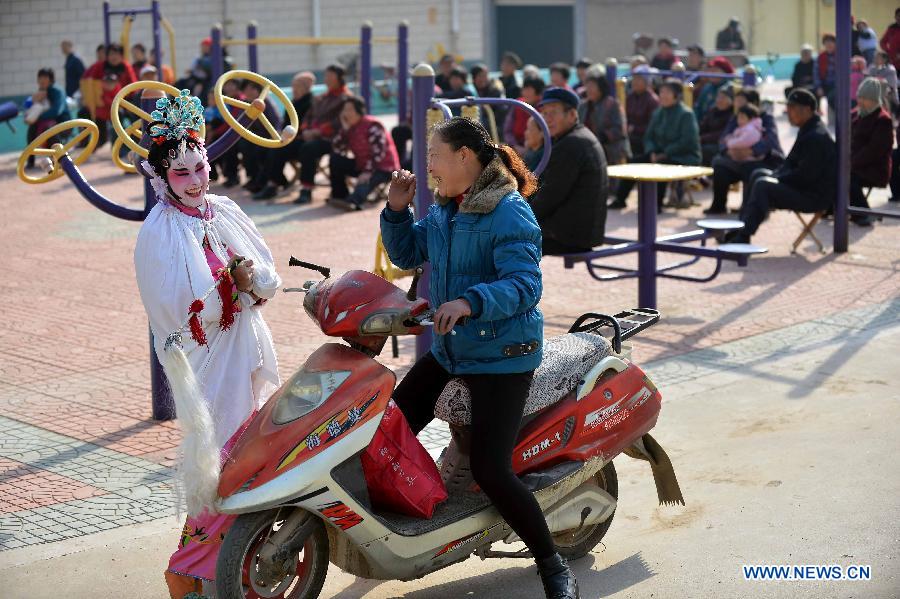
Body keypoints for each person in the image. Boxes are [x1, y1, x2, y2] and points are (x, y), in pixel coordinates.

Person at [381, 116, 579, 599]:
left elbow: (526, 285)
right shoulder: (448, 208)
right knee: (390, 425)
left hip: (503, 355)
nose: (427, 167)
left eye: (434, 156)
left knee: (493, 471)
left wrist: (471, 301)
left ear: (464, 157)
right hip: (453, 349)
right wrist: (396, 210)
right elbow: (409, 253)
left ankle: (553, 566)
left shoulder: (509, 212)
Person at [133, 90, 281, 598]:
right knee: (217, 464)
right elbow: (174, 311)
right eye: (182, 174)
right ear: (161, 178)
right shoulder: (158, 232)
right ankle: (186, 568)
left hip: (244, 351)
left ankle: (228, 564)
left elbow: (268, 274)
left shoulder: (223, 210)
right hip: (206, 366)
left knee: (248, 459)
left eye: (200, 169)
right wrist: (229, 287)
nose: (196, 182)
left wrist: (249, 279)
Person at [724, 89, 835, 244]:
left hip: (813, 196)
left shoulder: (816, 136)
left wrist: (778, 179)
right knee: (758, 174)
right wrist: (775, 175)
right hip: (804, 188)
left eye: (792, 108)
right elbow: (790, 163)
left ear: (808, 110)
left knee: (763, 185)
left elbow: (805, 176)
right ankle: (742, 227)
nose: (788, 112)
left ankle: (744, 236)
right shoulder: (808, 129)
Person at [531, 86, 608, 254]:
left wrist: (518, 219)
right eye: (544, 114)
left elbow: (549, 197)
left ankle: (514, 281)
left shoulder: (571, 145)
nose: (547, 119)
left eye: (553, 113)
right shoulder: (578, 136)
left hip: (569, 236)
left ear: (572, 114)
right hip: (580, 230)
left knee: (497, 241)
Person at [611, 79, 700, 210]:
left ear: (676, 95)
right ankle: (620, 199)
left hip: (682, 156)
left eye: (667, 92)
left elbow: (687, 141)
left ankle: (655, 205)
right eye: (661, 92)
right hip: (658, 154)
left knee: (661, 167)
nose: (663, 95)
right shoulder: (658, 112)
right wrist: (652, 152)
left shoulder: (686, 114)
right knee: (634, 164)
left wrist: (664, 154)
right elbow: (649, 136)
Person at [706, 88, 784, 214]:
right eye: (736, 101)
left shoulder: (766, 118)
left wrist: (751, 151)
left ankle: (750, 207)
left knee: (750, 168)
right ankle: (718, 206)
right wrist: (728, 151)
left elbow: (770, 141)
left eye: (741, 101)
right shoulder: (736, 117)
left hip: (765, 160)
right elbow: (723, 139)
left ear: (753, 103)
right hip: (737, 159)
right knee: (719, 165)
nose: (737, 104)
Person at [327, 96, 400, 210]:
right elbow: (337, 148)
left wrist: (367, 171)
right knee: (335, 159)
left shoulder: (373, 125)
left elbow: (378, 153)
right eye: (344, 110)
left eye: (349, 110)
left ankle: (354, 201)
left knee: (366, 179)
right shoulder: (350, 127)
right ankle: (340, 196)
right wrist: (345, 130)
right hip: (362, 164)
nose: (346, 113)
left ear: (359, 110)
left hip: (383, 167)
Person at [252, 71, 317, 199]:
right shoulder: (293, 102)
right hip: (289, 138)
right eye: (293, 85)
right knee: (262, 148)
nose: (294, 88)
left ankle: (273, 184)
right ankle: (276, 181)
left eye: (297, 85)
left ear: (305, 87)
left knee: (277, 150)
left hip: (302, 140)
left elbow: (308, 124)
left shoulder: (311, 102)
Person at [295, 64, 351, 204]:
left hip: (333, 139)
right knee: (286, 145)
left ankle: (306, 189)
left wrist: (318, 132)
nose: (326, 79)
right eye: (326, 76)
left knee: (309, 148)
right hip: (312, 137)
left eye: (330, 76)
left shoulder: (346, 98)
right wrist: (306, 129)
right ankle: (274, 182)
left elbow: (341, 122)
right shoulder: (321, 98)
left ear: (340, 78)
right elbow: (308, 116)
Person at [848, 78, 894, 227]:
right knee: (831, 171)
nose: (860, 101)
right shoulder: (855, 114)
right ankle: (832, 208)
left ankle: (863, 214)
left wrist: (849, 164)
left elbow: (873, 151)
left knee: (847, 177)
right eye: (859, 96)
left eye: (864, 98)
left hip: (874, 169)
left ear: (874, 99)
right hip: (856, 164)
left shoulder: (883, 120)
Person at [81, 43, 137, 148]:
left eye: (117, 54)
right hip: (102, 104)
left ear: (121, 55)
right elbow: (87, 81)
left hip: (121, 102)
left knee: (127, 115)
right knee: (84, 113)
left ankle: (123, 144)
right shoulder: (100, 66)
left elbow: (133, 86)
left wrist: (124, 101)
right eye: (111, 54)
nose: (114, 57)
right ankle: (89, 144)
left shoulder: (126, 67)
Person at [237, 79, 283, 194]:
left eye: (248, 89)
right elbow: (243, 123)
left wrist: (276, 137)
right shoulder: (249, 104)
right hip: (258, 137)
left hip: (270, 138)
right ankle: (254, 178)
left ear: (255, 89)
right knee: (244, 145)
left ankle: (262, 182)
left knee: (260, 150)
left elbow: (276, 122)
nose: (246, 93)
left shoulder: (264, 103)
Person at [578, 72, 631, 165]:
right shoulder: (583, 106)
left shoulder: (613, 105)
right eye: (587, 86)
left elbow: (619, 130)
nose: (589, 89)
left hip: (610, 152)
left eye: (592, 86)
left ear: (601, 87)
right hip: (587, 150)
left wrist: (601, 137)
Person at [23, 67, 68, 170]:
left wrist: (37, 117)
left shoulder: (57, 91)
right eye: (40, 77)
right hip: (45, 123)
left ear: (51, 79)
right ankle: (30, 160)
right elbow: (29, 105)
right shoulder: (41, 91)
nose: (42, 80)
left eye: (45, 77)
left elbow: (56, 111)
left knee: (50, 130)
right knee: (32, 128)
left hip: (62, 124)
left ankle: (60, 159)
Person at [503, 77, 545, 155]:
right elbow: (508, 131)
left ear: (538, 92)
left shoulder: (545, 108)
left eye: (529, 90)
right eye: (524, 89)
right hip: (516, 149)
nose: (525, 93)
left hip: (539, 150)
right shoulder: (517, 105)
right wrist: (515, 146)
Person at [626, 65, 659, 156]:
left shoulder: (652, 100)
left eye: (639, 79)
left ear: (647, 82)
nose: (635, 82)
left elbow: (653, 126)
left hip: (644, 139)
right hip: (630, 136)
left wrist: (635, 129)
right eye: (634, 79)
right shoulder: (630, 97)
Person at [698, 85, 734, 165]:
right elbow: (703, 126)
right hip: (705, 141)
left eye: (724, 98)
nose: (719, 100)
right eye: (718, 97)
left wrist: (703, 138)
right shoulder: (712, 110)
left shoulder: (732, 114)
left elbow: (723, 133)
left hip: (721, 144)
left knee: (706, 150)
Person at [693, 56, 734, 121]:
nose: (711, 72)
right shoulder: (706, 86)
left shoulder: (729, 87)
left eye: (715, 70)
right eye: (710, 69)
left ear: (724, 71)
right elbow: (698, 107)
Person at [470, 63, 507, 128]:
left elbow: (501, 111)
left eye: (485, 75)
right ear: (474, 77)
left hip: (493, 127)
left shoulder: (495, 90)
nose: (484, 78)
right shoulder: (470, 90)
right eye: (480, 76)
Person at [815, 33, 838, 113]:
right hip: (824, 83)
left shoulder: (840, 55)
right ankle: (817, 112)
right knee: (811, 92)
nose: (829, 45)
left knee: (833, 96)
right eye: (826, 43)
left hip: (837, 84)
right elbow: (816, 73)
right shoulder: (820, 57)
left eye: (831, 42)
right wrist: (818, 86)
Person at [881, 8, 900, 72]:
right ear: (895, 17)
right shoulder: (892, 28)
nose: (899, 18)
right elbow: (883, 41)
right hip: (893, 61)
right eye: (898, 16)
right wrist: (887, 51)